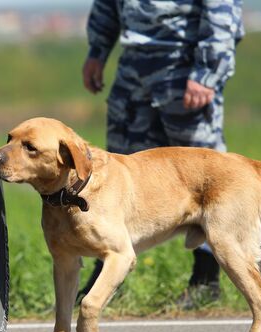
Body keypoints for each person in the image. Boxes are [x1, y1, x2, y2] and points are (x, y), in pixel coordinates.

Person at [78, 0, 244, 309]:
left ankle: (205, 280)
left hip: (184, 67)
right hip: (133, 72)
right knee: (114, 179)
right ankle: (108, 277)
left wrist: (207, 71)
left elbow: (222, 10)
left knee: (203, 178)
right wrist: (97, 51)